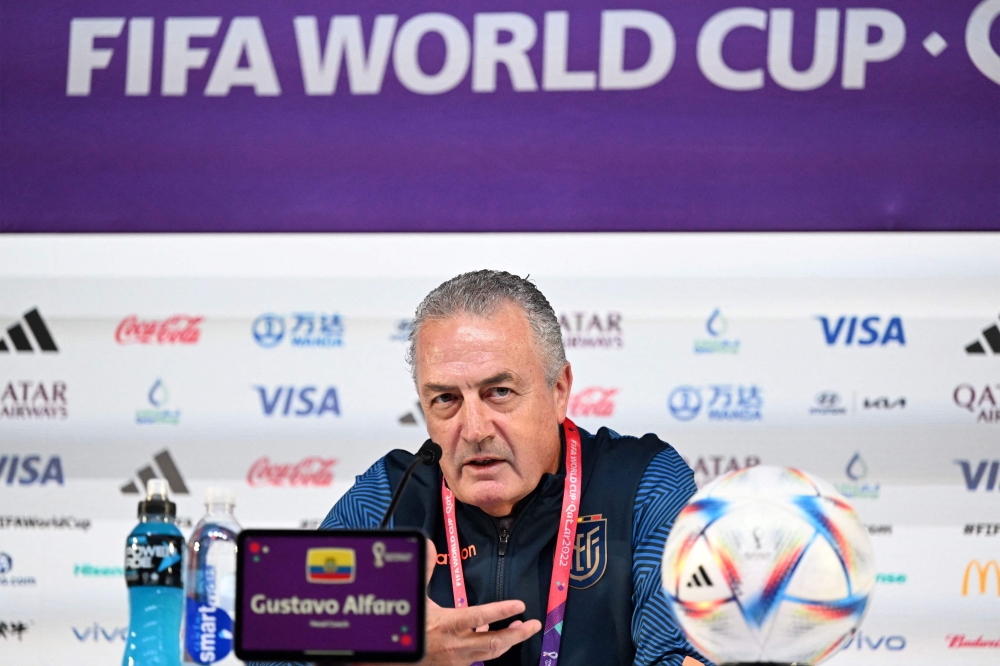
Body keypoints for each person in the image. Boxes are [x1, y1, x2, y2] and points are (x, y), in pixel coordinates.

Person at [261, 270, 707, 666]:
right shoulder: (391, 497)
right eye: (446, 400)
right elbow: (277, 654)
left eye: (499, 392)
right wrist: (395, 653)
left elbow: (677, 654)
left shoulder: (641, 483)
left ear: (558, 390)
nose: (473, 429)